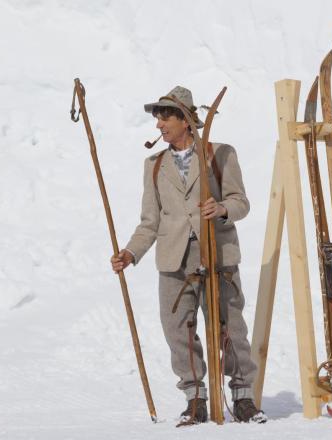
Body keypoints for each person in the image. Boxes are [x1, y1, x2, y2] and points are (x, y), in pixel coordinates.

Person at [110, 86, 266, 425]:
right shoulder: (154, 166)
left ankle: (242, 399)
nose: (159, 125)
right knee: (178, 329)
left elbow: (241, 202)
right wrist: (130, 253)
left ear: (185, 119)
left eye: (166, 117)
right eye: (158, 118)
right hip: (173, 260)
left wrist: (222, 208)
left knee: (230, 328)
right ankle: (195, 398)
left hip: (218, 254)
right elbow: (149, 223)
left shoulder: (219, 153)